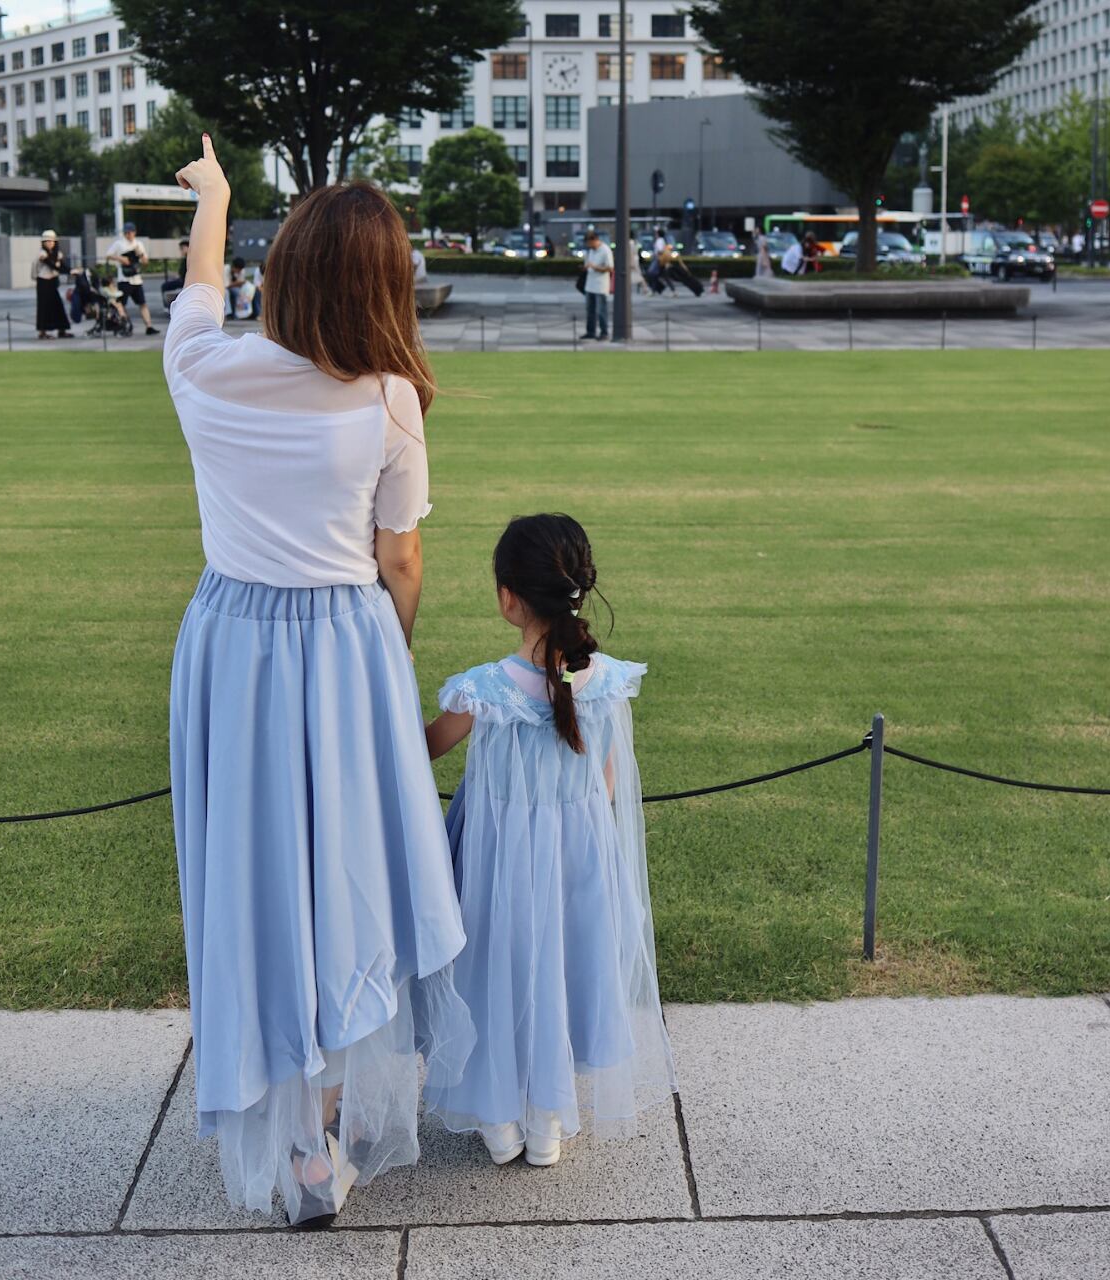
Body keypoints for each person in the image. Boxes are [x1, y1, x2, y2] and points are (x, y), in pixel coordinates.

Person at [164, 134, 472, 1230]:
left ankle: (292, 1128)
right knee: (344, 881)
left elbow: (201, 289)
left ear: (285, 269)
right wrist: (391, 655)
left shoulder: (201, 368)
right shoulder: (388, 399)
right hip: (342, 645)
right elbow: (402, 558)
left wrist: (214, 198)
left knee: (255, 879)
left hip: (231, 642)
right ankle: (322, 1124)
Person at [422, 513, 676, 1168]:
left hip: (498, 863)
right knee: (562, 969)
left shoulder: (482, 692)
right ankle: (547, 1120)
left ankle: (499, 1119)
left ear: (509, 598)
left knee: (496, 972)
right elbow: (607, 781)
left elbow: (420, 751)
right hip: (578, 858)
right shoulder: (604, 683)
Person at [106, 220, 160, 334]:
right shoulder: (119, 244)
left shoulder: (138, 244)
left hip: (136, 279)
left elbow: (145, 261)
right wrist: (120, 258)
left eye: (130, 232)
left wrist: (140, 253)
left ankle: (149, 326)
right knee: (121, 303)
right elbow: (108, 255)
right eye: (126, 232)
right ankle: (125, 324)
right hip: (124, 279)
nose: (128, 235)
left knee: (142, 303)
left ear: (134, 232)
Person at [33, 229, 74, 339]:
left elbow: (62, 266)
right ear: (43, 243)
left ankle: (62, 330)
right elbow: (51, 265)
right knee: (44, 307)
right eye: (47, 241)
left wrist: (71, 270)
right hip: (43, 282)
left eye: (52, 241)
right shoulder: (42, 254)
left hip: (52, 282)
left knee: (57, 305)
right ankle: (42, 332)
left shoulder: (57, 254)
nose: (50, 243)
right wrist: (69, 271)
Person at [582, 229, 613, 340]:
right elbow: (588, 263)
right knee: (590, 310)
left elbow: (610, 268)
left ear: (594, 240)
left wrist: (595, 267)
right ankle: (591, 331)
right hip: (590, 284)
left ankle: (604, 332)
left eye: (589, 243)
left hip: (600, 285)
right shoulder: (591, 251)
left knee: (601, 310)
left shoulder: (605, 250)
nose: (588, 245)